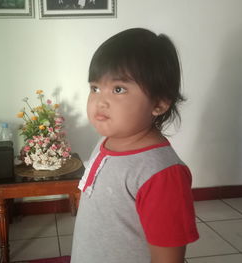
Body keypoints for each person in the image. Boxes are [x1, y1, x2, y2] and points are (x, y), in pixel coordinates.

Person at [71, 28, 199, 263]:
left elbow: (168, 259)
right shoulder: (106, 141)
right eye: (95, 88)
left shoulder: (161, 174)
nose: (100, 100)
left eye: (118, 89)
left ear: (159, 103)